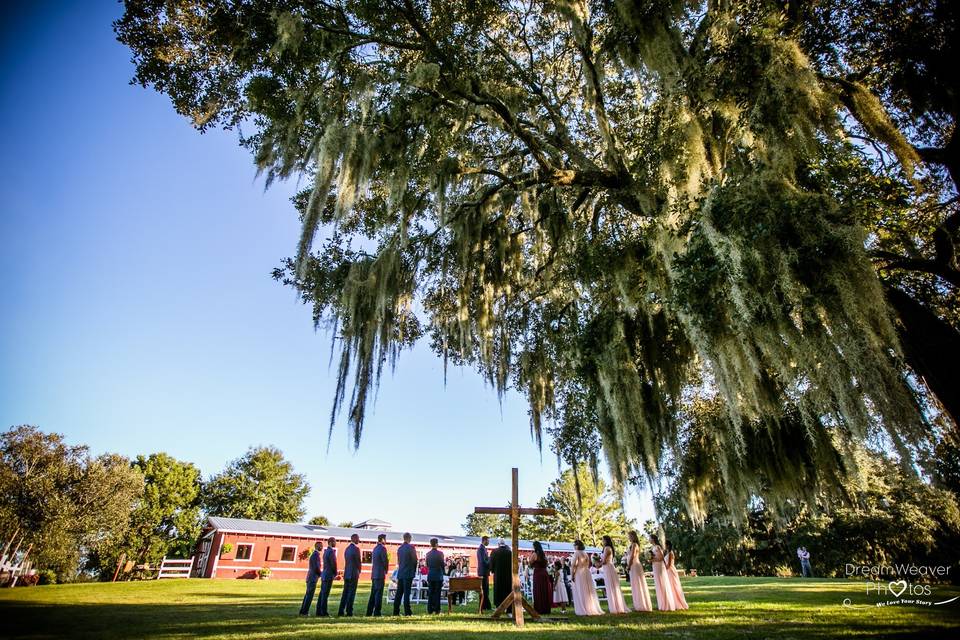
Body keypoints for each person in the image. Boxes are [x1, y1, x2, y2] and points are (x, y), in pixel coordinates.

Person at [570, 540, 603, 616]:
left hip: (579, 573)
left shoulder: (577, 553)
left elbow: (573, 565)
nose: (574, 546)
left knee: (580, 589)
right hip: (586, 572)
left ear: (577, 545)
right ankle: (589, 607)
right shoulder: (585, 553)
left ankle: (583, 608)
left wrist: (572, 575)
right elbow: (588, 564)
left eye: (575, 545)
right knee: (587, 590)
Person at [600, 535, 627, 614]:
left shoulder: (607, 548)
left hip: (608, 567)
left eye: (603, 540)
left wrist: (598, 562)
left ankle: (615, 606)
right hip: (608, 567)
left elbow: (604, 561)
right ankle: (615, 605)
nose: (602, 541)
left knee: (611, 586)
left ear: (606, 541)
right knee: (611, 586)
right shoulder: (608, 548)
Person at [626, 530, 652, 612]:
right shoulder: (632, 545)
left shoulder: (634, 545)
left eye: (629, 536)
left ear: (633, 536)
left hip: (634, 566)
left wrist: (628, 566)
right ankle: (637, 604)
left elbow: (633, 556)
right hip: (634, 566)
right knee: (635, 585)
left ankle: (641, 605)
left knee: (638, 584)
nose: (628, 537)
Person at [649, 534, 676, 611]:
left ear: (653, 539)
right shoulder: (653, 547)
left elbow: (661, 558)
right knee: (658, 584)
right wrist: (651, 559)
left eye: (649, 538)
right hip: (655, 566)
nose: (649, 540)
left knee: (662, 583)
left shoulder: (658, 547)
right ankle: (661, 604)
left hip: (659, 566)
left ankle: (666, 604)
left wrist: (653, 560)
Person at [393, 532, 417, 616]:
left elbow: (399, 561)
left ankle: (395, 611)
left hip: (401, 572)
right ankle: (407, 612)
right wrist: (414, 571)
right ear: (409, 538)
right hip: (408, 573)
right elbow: (414, 561)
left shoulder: (400, 548)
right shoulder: (411, 548)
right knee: (407, 593)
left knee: (399, 593)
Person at [337, 534, 361, 616]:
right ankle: (349, 611)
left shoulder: (347, 549)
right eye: (358, 538)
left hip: (347, 573)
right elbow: (358, 562)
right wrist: (359, 571)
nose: (359, 540)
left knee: (345, 593)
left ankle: (341, 610)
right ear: (354, 539)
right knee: (351, 593)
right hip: (353, 573)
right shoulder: (356, 549)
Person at [366, 534, 389, 616]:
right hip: (380, 574)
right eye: (385, 539)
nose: (386, 541)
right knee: (379, 593)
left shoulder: (375, 548)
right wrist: (386, 570)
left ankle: (369, 611)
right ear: (382, 539)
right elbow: (385, 561)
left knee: (373, 594)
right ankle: (377, 612)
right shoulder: (383, 548)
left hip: (374, 574)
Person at [299, 540, 324, 616]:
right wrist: (321, 574)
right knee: (309, 595)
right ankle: (305, 612)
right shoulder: (316, 555)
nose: (322, 547)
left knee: (307, 595)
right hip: (313, 577)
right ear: (317, 546)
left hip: (310, 577)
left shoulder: (314, 554)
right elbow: (316, 567)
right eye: (321, 546)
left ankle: (302, 611)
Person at [490, 538, 513, 614]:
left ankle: (498, 607)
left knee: (498, 590)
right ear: (505, 544)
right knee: (507, 590)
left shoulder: (494, 552)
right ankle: (508, 607)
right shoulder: (510, 552)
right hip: (508, 576)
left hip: (498, 575)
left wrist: (492, 570)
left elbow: (491, 563)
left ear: (498, 544)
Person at [664, 541, 689, 610]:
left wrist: (663, 570)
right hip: (668, 570)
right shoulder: (667, 553)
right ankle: (671, 602)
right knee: (670, 586)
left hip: (670, 571)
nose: (664, 546)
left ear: (668, 545)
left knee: (673, 586)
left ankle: (676, 602)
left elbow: (668, 565)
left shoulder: (670, 553)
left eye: (665, 545)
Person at [317, 537, 337, 617]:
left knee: (322, 594)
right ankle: (324, 612)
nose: (335, 543)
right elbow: (333, 564)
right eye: (334, 542)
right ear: (331, 542)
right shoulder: (331, 552)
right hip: (328, 575)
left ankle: (318, 611)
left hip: (324, 575)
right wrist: (335, 573)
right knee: (325, 595)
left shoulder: (325, 552)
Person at [530, 541, 552, 615]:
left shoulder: (534, 554)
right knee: (544, 590)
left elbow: (530, 563)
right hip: (544, 573)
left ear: (535, 546)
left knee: (538, 589)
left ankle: (539, 609)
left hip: (538, 573)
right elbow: (546, 563)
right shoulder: (543, 554)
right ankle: (545, 608)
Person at [425, 538, 445, 614]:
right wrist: (443, 571)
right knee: (437, 593)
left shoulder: (428, 554)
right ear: (436, 544)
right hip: (438, 575)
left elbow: (427, 565)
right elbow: (442, 564)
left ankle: (430, 609)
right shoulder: (440, 553)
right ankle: (437, 609)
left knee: (430, 593)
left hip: (430, 574)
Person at [477, 536, 491, 610]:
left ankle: (486, 606)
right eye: (488, 541)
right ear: (484, 540)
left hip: (484, 572)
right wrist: (490, 560)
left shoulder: (484, 548)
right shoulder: (481, 549)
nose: (489, 542)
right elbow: (483, 561)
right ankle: (483, 606)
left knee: (486, 590)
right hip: (483, 572)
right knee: (484, 589)